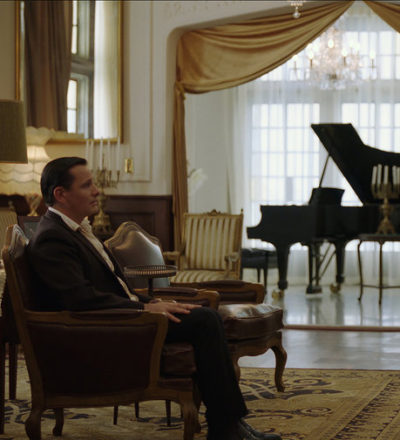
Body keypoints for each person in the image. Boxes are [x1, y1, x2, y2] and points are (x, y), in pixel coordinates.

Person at [27, 157, 281, 440]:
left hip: (121, 319)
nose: (96, 191)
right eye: (87, 185)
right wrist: (144, 309)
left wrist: (150, 303)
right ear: (61, 194)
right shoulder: (53, 238)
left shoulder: (72, 230)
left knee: (202, 314)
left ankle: (229, 424)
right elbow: (82, 300)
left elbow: (108, 291)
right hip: (104, 331)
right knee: (206, 320)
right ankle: (226, 428)